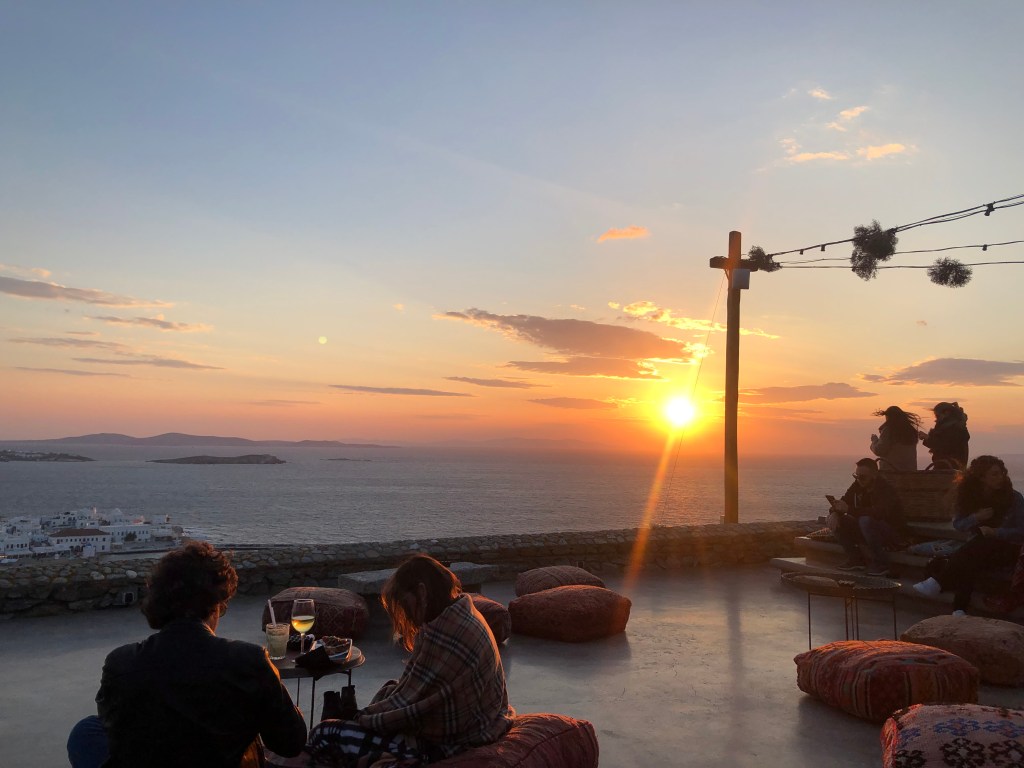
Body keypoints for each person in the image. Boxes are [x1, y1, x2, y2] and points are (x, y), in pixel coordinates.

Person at [67, 542, 307, 768]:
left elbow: (117, 727)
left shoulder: (120, 663)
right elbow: (290, 743)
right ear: (216, 604)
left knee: (85, 731)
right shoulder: (250, 660)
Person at [304, 555, 514, 767]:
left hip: (451, 744)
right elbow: (418, 691)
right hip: (483, 724)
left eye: (404, 604)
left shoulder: (445, 634)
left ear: (421, 593)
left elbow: (413, 710)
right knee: (389, 691)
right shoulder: (464, 615)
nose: (406, 616)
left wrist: (362, 719)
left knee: (324, 734)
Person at [913, 455, 1024, 615]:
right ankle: (959, 611)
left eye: (1001, 473)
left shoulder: (1014, 499)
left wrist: (995, 532)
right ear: (981, 478)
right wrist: (976, 517)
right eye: (994, 474)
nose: (1000, 478)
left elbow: (1021, 531)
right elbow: (959, 524)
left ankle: (940, 583)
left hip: (1007, 550)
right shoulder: (970, 497)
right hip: (977, 550)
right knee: (971, 561)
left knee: (979, 546)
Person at [830, 458, 907, 577]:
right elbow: (844, 501)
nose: (859, 480)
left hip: (892, 532)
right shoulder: (858, 485)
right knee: (839, 520)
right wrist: (835, 512)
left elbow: (879, 513)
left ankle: (881, 563)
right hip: (868, 529)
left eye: (863, 477)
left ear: (874, 475)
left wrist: (849, 509)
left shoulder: (885, 489)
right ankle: (856, 559)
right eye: (856, 476)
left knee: (865, 520)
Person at [919, 401, 970, 470]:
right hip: (946, 465)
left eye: (937, 416)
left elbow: (944, 446)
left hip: (950, 467)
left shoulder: (956, 427)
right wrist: (926, 438)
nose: (936, 418)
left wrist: (927, 437)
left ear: (947, 413)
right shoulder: (952, 426)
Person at [869, 406, 921, 471]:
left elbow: (879, 450)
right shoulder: (911, 431)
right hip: (910, 472)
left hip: (891, 472)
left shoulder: (889, 430)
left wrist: (874, 440)